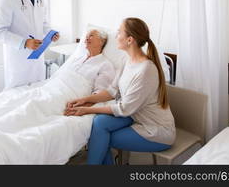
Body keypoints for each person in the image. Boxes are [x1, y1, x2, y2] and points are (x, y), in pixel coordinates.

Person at [64, 18, 176, 165]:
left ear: (129, 40)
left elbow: (124, 108)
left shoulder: (146, 70)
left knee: (100, 137)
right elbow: (112, 91)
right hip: (135, 117)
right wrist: (85, 100)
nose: (116, 36)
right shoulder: (127, 61)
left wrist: (85, 110)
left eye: (119, 32)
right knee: (98, 123)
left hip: (155, 130)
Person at [0, 0, 59, 89]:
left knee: (37, 92)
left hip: (37, 57)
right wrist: (24, 42)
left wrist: (51, 33)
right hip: (19, 59)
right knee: (17, 96)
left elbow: (43, 23)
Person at [55, 29, 115, 94]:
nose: (86, 39)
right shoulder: (77, 59)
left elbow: (99, 93)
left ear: (102, 41)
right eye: (86, 37)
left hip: (71, 95)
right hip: (57, 87)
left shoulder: (105, 65)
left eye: (91, 36)